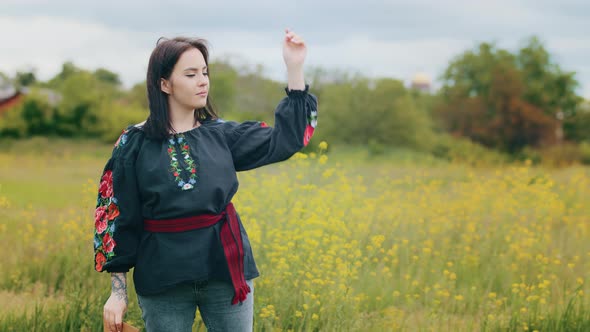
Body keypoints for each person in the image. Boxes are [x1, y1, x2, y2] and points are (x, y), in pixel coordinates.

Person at [94, 28, 318, 332]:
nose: (203, 81)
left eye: (204, 72)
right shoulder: (133, 145)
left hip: (225, 270)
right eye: (190, 74)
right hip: (163, 278)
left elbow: (286, 140)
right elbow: (117, 218)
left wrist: (294, 68)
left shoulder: (222, 135)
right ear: (164, 84)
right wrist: (117, 293)